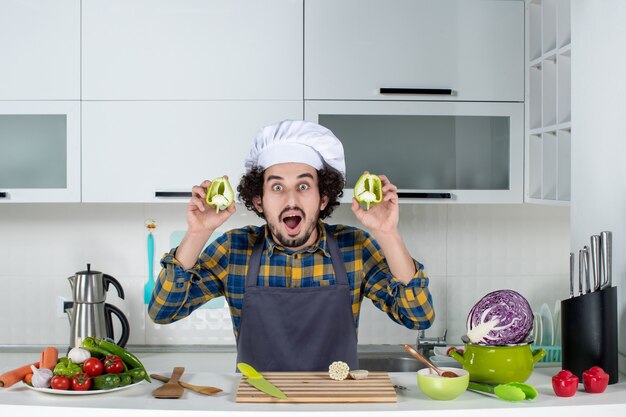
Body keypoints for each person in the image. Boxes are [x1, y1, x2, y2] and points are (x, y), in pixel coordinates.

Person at [148, 120, 434, 371]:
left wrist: (387, 233)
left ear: (323, 199)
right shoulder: (234, 250)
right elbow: (163, 312)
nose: (291, 200)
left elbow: (418, 317)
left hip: (335, 406)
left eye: (304, 186)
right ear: (259, 201)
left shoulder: (354, 247)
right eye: (276, 187)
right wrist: (198, 232)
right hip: (257, 406)